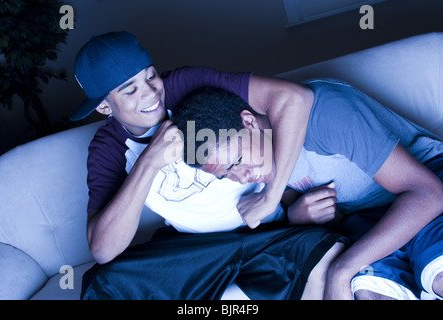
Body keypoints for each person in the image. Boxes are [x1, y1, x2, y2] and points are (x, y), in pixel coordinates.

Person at [71, 31, 346, 299]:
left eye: (151, 76)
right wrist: (149, 162)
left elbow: (294, 99)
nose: (151, 94)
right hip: (199, 251)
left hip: (267, 233)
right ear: (105, 107)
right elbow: (103, 251)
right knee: (105, 283)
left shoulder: (185, 84)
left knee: (324, 252)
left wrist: (271, 198)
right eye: (130, 91)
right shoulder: (108, 148)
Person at [173, 85, 443, 300]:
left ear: (249, 122)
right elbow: (332, 217)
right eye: (226, 175)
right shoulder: (262, 165)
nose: (241, 177)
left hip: (429, 182)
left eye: (236, 162)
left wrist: (341, 271)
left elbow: (429, 193)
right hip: (369, 220)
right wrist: (295, 215)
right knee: (366, 293)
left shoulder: (324, 115)